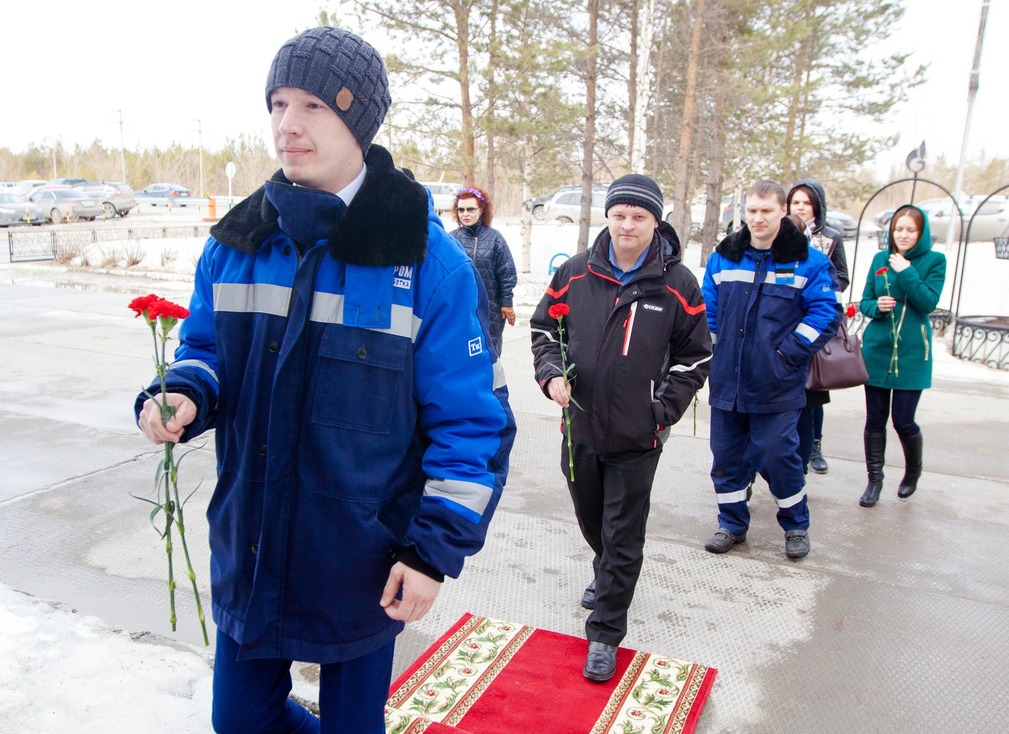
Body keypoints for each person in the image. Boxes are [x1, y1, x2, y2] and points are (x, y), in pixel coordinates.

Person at [134, 27, 515, 733]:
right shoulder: (237, 243)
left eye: (311, 104)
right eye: (277, 103)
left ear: (359, 120)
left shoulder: (427, 263)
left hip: (364, 563)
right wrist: (184, 392)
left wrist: (431, 553)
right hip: (251, 544)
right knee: (240, 724)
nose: (287, 124)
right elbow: (206, 350)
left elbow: (475, 425)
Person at [530, 174, 711, 683]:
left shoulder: (677, 284)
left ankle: (605, 632)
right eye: (620, 214)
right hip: (581, 429)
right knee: (594, 523)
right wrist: (550, 375)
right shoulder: (574, 272)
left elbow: (696, 357)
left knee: (623, 534)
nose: (628, 225)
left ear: (656, 222)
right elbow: (546, 329)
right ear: (607, 217)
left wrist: (662, 409)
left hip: (638, 437)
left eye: (639, 216)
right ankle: (608, 572)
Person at [702, 180, 840, 560]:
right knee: (726, 457)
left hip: (776, 383)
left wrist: (788, 352)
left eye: (766, 211)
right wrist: (712, 355)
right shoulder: (724, 257)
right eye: (752, 211)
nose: (758, 218)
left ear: (783, 211)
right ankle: (731, 523)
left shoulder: (808, 262)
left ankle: (796, 525)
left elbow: (826, 312)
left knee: (777, 456)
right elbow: (708, 312)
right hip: (728, 381)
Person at [858, 205, 945, 507]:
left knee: (904, 421)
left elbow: (927, 303)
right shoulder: (879, 259)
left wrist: (906, 271)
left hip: (912, 354)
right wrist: (875, 306)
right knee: (875, 420)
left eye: (910, 229)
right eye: (898, 229)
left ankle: (912, 472)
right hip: (878, 350)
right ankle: (874, 480)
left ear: (921, 233)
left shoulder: (935, 261)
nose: (903, 235)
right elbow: (865, 301)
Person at [786, 179, 850, 475]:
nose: (800, 207)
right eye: (795, 202)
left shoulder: (830, 237)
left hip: (815, 319)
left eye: (806, 203)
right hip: (785, 322)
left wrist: (817, 274)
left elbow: (841, 276)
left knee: (814, 389)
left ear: (816, 206)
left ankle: (814, 444)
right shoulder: (780, 232)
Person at [449, 186, 518, 354]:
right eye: (461, 210)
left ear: (482, 210)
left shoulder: (495, 238)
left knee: (489, 355)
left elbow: (507, 273)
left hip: (490, 308)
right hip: (460, 308)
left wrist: (507, 303)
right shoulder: (451, 239)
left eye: (470, 209)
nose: (465, 214)